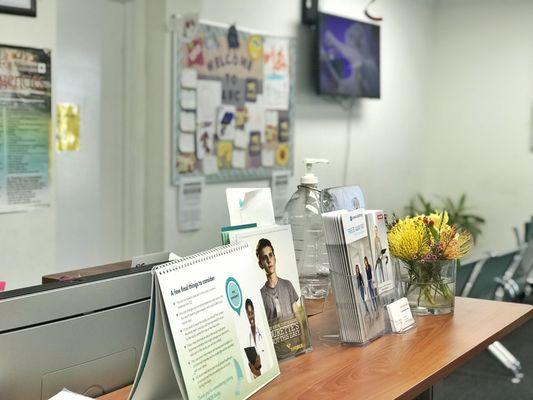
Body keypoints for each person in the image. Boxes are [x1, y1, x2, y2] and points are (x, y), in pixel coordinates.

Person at [256, 238, 299, 324]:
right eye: (265, 258)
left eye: (270, 255)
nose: (269, 260)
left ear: (275, 258)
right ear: (261, 264)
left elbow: (297, 317)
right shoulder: (260, 296)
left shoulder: (287, 285)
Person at [245, 298, 271, 379]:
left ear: (254, 313)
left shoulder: (263, 332)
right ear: (246, 315)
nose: (251, 316)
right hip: (257, 377)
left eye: (252, 313)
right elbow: (250, 366)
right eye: (248, 314)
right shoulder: (247, 338)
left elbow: (269, 357)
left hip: (268, 374)